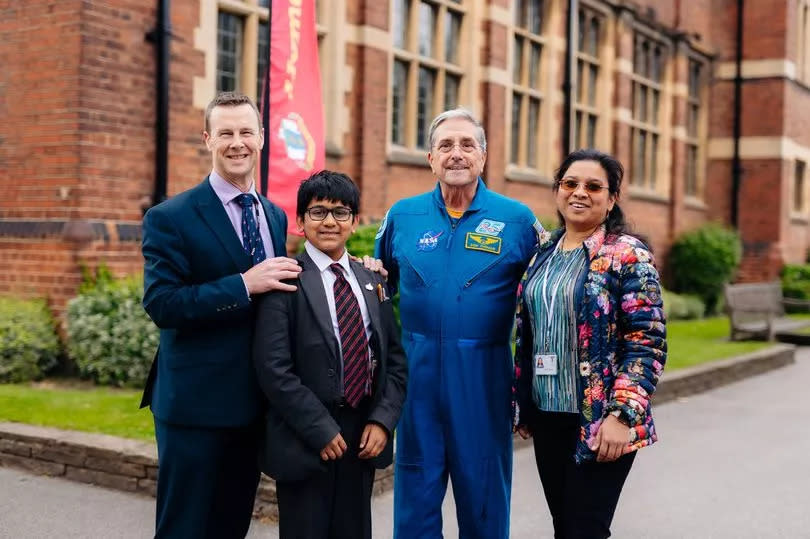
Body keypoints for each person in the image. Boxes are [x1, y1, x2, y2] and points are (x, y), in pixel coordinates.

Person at [140, 91, 302, 538]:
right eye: (226, 133)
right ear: (208, 139)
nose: (237, 143)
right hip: (194, 407)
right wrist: (242, 285)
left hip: (251, 407)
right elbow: (162, 304)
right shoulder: (170, 217)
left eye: (246, 132)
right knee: (185, 529)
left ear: (262, 139)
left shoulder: (272, 216)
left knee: (231, 527)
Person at [375, 108, 542, 538]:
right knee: (415, 505)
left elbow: (548, 300)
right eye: (446, 145)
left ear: (484, 157)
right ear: (430, 158)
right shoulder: (402, 217)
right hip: (418, 380)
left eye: (467, 144)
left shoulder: (518, 220)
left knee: (484, 504)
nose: (456, 154)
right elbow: (374, 292)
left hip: (484, 380)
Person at [514, 148, 667, 539]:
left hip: (602, 420)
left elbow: (646, 342)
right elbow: (529, 331)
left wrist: (622, 416)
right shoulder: (542, 253)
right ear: (558, 190)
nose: (580, 192)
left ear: (612, 198)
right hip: (549, 415)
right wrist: (524, 404)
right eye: (571, 183)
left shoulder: (627, 255)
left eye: (594, 186)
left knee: (585, 530)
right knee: (565, 526)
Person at [253, 170, 408, 539]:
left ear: (355, 222)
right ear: (301, 222)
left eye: (340, 212)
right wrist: (318, 429)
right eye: (318, 212)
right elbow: (273, 368)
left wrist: (383, 421)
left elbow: (396, 362)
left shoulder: (372, 281)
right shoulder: (285, 280)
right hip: (306, 435)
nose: (329, 221)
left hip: (362, 435)